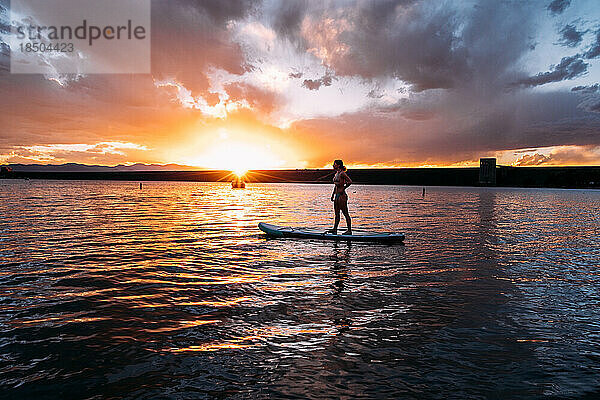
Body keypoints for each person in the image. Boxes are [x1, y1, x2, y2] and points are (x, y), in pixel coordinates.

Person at [328, 159, 352, 235]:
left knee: (345, 213)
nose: (333, 165)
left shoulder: (342, 173)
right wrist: (332, 194)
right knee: (337, 214)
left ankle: (349, 230)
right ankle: (335, 229)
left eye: (334, 164)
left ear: (338, 165)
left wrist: (343, 188)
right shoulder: (336, 174)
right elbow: (335, 186)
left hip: (342, 196)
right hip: (337, 196)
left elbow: (350, 181)